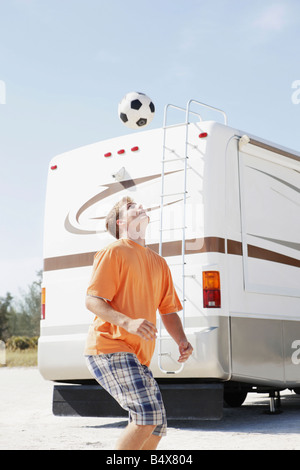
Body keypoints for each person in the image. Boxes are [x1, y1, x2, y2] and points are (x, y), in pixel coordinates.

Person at [84, 196, 193, 450]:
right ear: (121, 223)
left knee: (156, 425)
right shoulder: (114, 252)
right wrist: (128, 322)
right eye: (132, 207)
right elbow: (92, 301)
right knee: (147, 416)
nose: (141, 206)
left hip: (137, 356)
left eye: (141, 205)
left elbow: (168, 311)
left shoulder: (159, 263)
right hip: (109, 347)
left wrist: (182, 340)